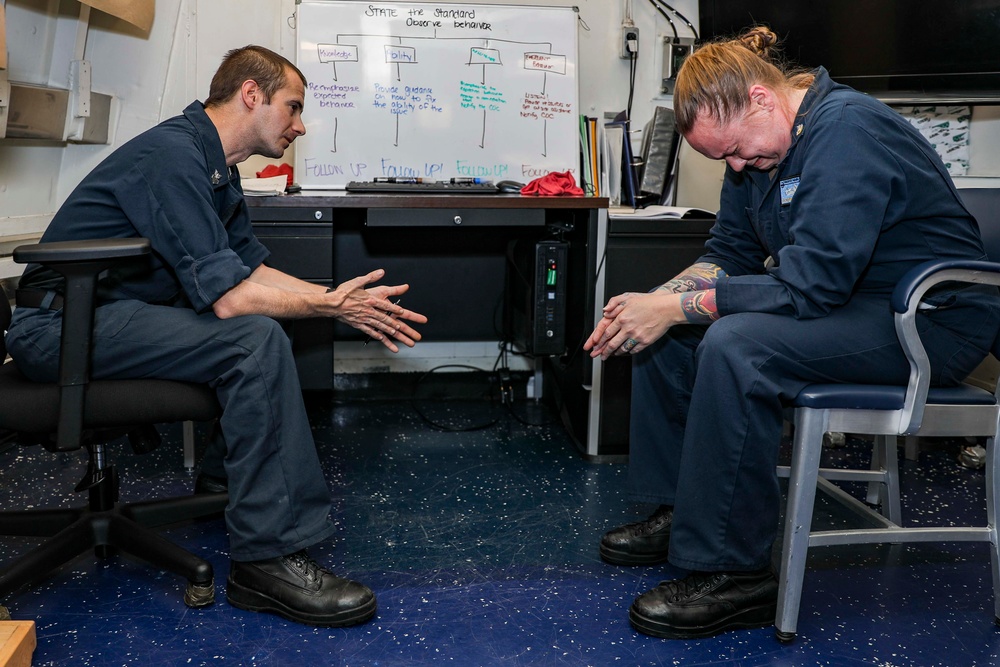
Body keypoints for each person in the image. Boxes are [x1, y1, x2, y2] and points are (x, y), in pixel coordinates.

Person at [585, 26, 1000, 640]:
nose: (735, 166)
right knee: (668, 335)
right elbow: (728, 251)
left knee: (734, 345)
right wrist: (654, 303)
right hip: (851, 308)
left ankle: (737, 574)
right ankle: (688, 510)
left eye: (737, 152)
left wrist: (681, 307)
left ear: (760, 98)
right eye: (722, 159)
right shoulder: (759, 149)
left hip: (929, 323)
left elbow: (812, 285)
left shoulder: (847, 131)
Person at [5, 45, 427, 628]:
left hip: (110, 314)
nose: (300, 126)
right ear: (251, 95)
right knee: (253, 340)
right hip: (59, 328)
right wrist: (327, 305)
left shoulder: (216, 169)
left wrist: (336, 301)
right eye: (293, 107)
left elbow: (247, 269)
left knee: (263, 327)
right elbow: (232, 300)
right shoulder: (172, 156)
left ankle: (224, 480)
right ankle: (266, 560)